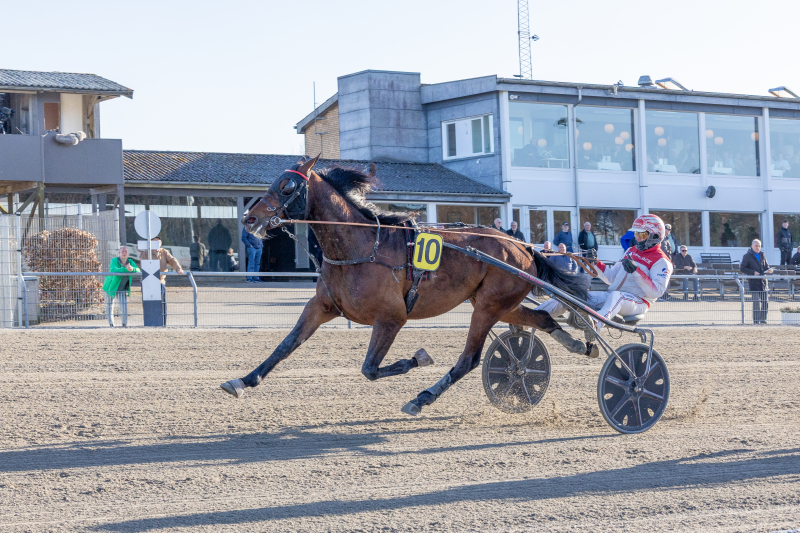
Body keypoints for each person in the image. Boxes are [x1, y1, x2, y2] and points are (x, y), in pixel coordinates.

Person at [536, 214, 673, 358]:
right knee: (572, 296)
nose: (637, 238)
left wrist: (636, 271)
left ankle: (595, 325)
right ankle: (533, 316)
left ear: (654, 236)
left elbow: (656, 292)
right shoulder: (631, 251)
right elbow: (611, 278)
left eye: (642, 234)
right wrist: (595, 262)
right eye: (636, 234)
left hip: (638, 302)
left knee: (617, 296)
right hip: (613, 297)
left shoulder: (662, 261)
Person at [139, 237, 184, 326]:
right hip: (148, 284)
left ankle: (163, 324)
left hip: (160, 282)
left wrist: (178, 268)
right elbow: (143, 265)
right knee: (149, 305)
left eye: (157, 242)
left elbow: (172, 260)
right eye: (153, 242)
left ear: (161, 243)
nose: (155, 244)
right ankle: (149, 325)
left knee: (162, 305)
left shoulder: (164, 252)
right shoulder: (146, 253)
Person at [103, 246, 140, 327]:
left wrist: (132, 269)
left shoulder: (130, 261)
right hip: (110, 287)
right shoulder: (114, 260)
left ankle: (124, 324)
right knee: (109, 305)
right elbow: (114, 269)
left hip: (122, 289)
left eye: (125, 251)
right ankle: (111, 324)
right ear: (119, 253)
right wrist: (126, 269)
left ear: (128, 254)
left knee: (124, 306)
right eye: (122, 251)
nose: (124, 253)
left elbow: (138, 270)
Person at [740, 239, 773, 324]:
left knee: (765, 302)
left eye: (759, 246)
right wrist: (753, 272)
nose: (758, 248)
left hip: (763, 282)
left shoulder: (762, 255)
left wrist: (769, 270)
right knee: (756, 303)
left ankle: (763, 320)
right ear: (752, 246)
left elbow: (766, 266)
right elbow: (742, 268)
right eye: (756, 246)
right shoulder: (747, 256)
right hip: (754, 282)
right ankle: (756, 321)